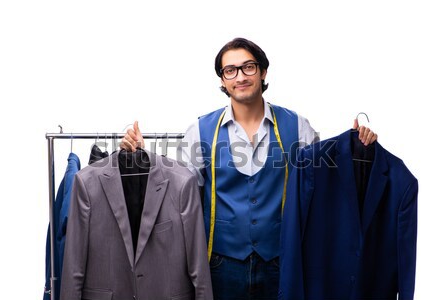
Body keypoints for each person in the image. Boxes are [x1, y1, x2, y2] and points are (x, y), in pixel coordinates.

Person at [120, 37, 377, 300]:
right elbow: (177, 192)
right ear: (222, 80)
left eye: (248, 67)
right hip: (220, 265)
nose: (240, 76)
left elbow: (323, 186)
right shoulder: (199, 131)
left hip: (281, 261)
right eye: (230, 70)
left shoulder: (298, 127)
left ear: (263, 71)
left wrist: (355, 148)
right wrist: (143, 156)